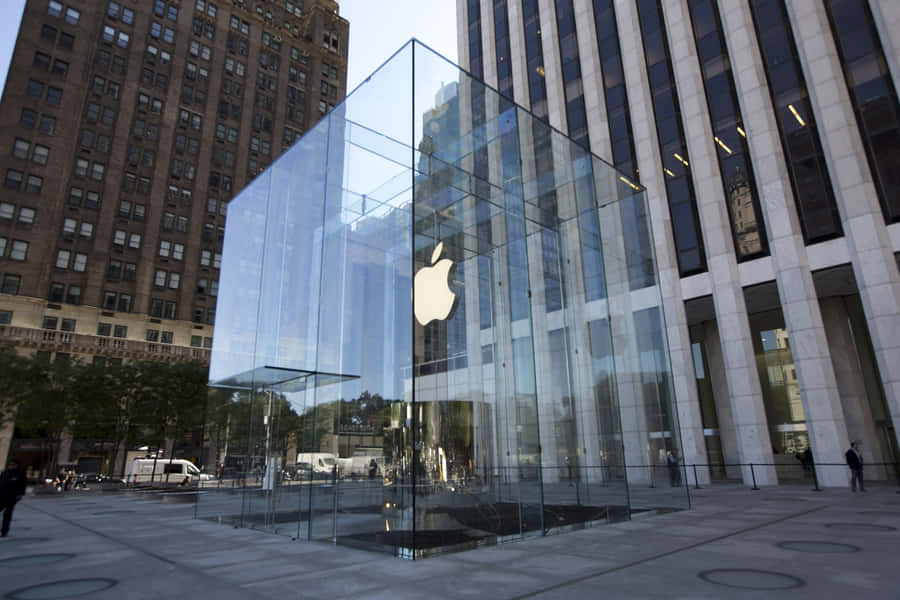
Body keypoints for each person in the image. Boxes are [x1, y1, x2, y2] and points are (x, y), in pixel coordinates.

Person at [0, 459, 28, 537]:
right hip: (1, 496)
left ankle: (4, 531)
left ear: (17, 465)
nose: (12, 466)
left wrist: (20, 495)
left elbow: (23, 485)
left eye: (13, 464)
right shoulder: (5, 473)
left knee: (7, 515)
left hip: (11, 498)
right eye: (10, 464)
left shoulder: (20, 474)